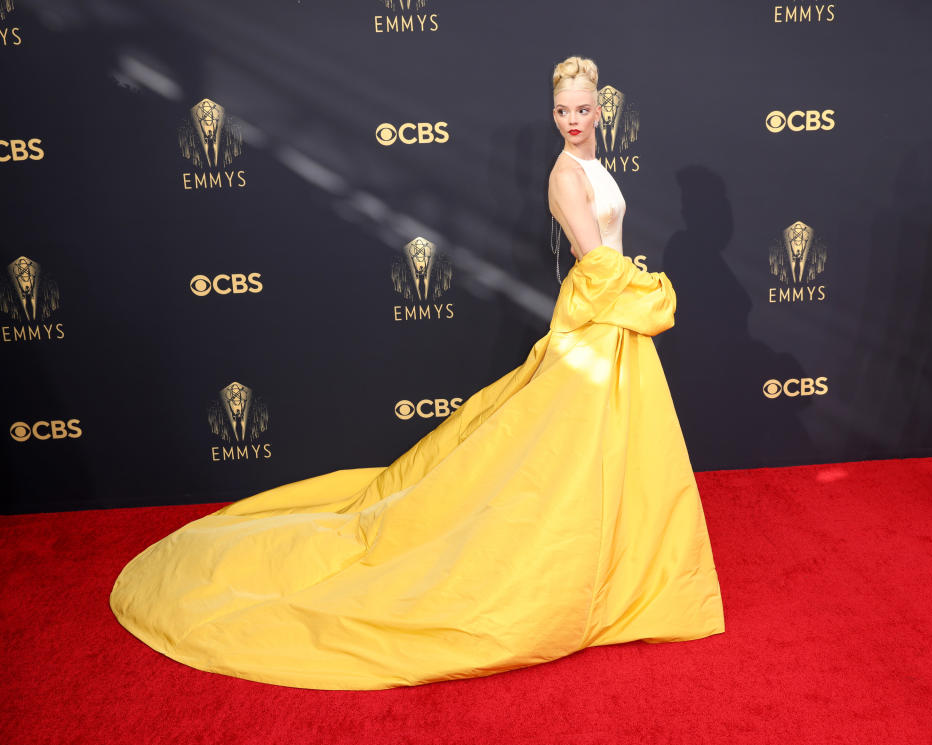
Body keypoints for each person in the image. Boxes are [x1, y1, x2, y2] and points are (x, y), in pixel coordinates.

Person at [110, 55, 725, 691]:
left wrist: (637, 295)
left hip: (612, 320)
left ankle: (622, 571)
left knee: (611, 452)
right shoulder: (566, 176)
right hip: (598, 314)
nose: (572, 121)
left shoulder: (596, 164)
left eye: (581, 110)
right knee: (568, 459)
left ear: (602, 110)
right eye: (561, 113)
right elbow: (594, 266)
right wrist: (652, 293)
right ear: (555, 116)